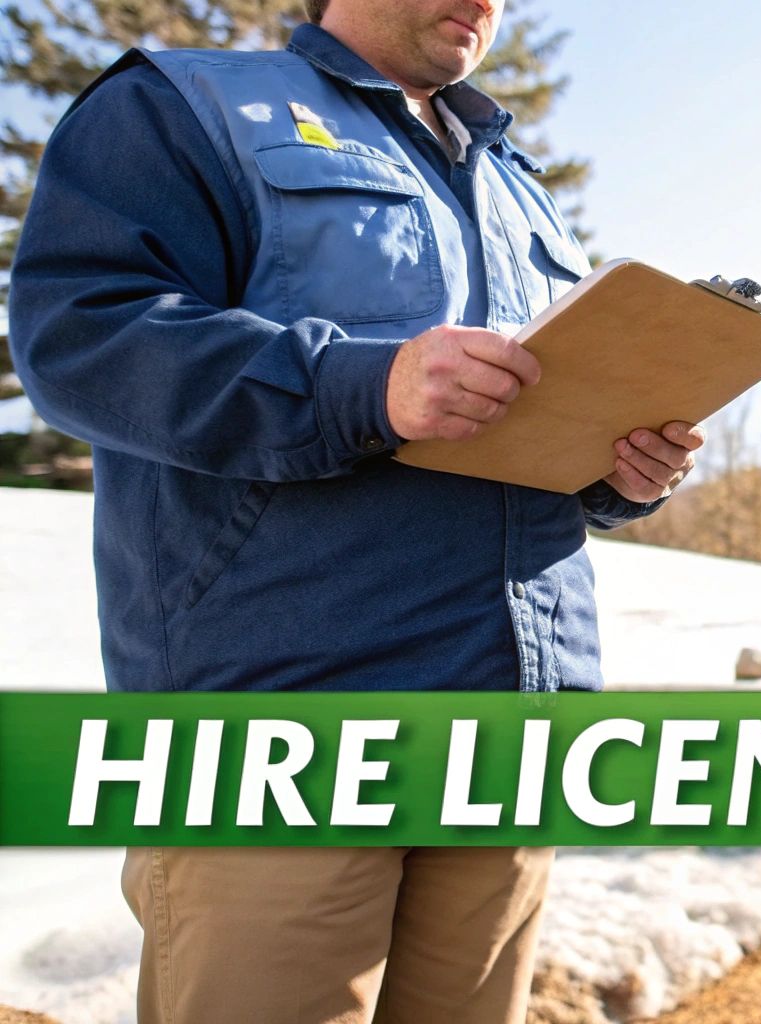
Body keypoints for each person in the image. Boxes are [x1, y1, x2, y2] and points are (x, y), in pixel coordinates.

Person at [8, 1, 701, 1020]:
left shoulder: (514, 183)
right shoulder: (186, 108)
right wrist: (358, 386)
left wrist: (618, 469)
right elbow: (80, 337)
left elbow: (529, 421)